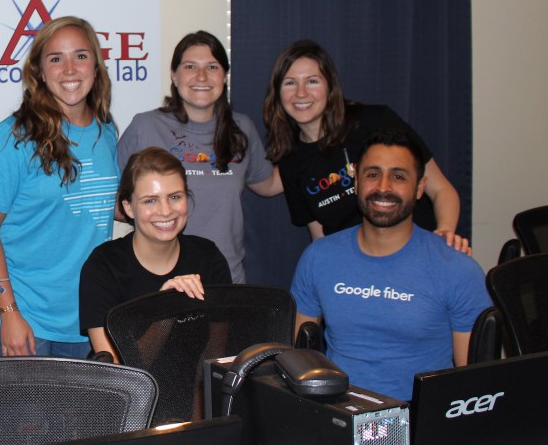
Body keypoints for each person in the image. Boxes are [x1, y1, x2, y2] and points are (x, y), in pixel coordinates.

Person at [290, 129, 491, 401]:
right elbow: (297, 357)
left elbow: (473, 385)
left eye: (399, 176)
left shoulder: (457, 269)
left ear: (419, 188)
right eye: (372, 174)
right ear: (356, 183)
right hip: (337, 416)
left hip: (418, 422)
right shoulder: (319, 257)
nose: (383, 187)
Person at [0, 15, 118, 358]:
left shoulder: (107, 132)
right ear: (38, 71)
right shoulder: (12, 138)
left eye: (81, 56)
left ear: (96, 67)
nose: (70, 69)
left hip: (89, 320)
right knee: (27, 416)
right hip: (25, 321)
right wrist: (9, 313)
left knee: (88, 415)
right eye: (56, 58)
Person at [264, 39, 466, 250]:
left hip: (416, 256)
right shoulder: (291, 163)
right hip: (358, 274)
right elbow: (321, 239)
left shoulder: (375, 122)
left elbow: (442, 190)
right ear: (277, 93)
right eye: (290, 83)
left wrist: (444, 239)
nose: (301, 93)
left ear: (330, 86)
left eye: (312, 81)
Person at [118, 31, 280, 283]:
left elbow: (268, 183)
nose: (201, 76)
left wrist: (316, 144)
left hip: (224, 279)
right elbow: (116, 204)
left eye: (212, 67)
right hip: (158, 281)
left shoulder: (242, 129)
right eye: (190, 66)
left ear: (224, 76)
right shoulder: (145, 127)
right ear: (174, 74)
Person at [79, 147, 232, 359]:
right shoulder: (103, 266)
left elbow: (216, 358)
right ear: (129, 207)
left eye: (175, 197)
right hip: (129, 389)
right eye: (150, 200)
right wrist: (163, 310)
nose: (166, 211)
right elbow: (116, 370)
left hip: (195, 390)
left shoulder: (209, 257)